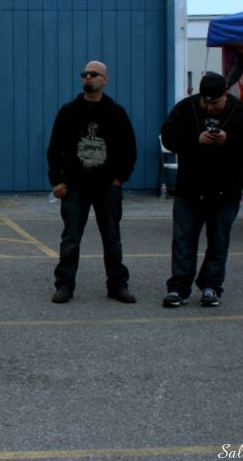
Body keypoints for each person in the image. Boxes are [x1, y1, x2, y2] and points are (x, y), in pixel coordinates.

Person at [161, 72, 243, 308]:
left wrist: (228, 140)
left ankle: (211, 286)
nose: (209, 107)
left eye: (215, 103)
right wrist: (195, 139)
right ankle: (178, 288)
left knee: (218, 241)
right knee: (183, 240)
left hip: (225, 190)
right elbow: (168, 136)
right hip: (190, 189)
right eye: (205, 102)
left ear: (225, 95)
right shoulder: (186, 108)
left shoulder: (240, 112)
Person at [47, 60, 138, 304]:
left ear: (104, 80)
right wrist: (57, 181)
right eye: (85, 74)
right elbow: (55, 148)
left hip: (107, 187)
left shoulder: (115, 112)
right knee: (70, 240)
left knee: (112, 239)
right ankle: (64, 285)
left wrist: (120, 178)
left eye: (94, 74)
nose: (88, 77)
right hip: (75, 187)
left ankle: (117, 285)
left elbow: (129, 148)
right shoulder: (68, 111)